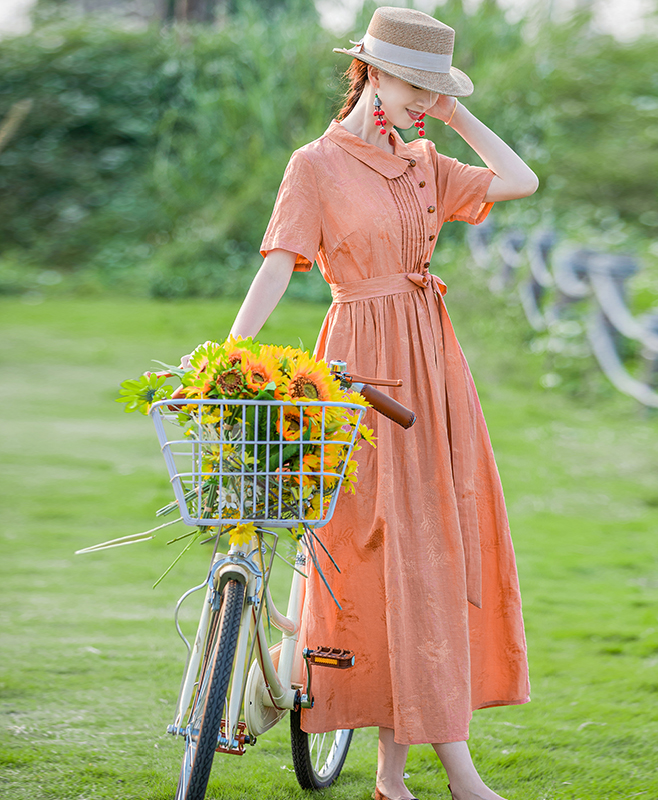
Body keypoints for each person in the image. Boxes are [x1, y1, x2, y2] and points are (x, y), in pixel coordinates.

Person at [188, 7, 538, 800]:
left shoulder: (424, 161)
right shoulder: (314, 165)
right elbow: (280, 262)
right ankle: (448, 771)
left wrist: (454, 112)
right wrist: (229, 353)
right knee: (373, 557)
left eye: (433, 88)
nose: (424, 101)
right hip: (359, 363)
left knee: (432, 554)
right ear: (372, 72)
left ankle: (395, 775)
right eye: (416, 84)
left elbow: (521, 180)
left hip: (433, 361)